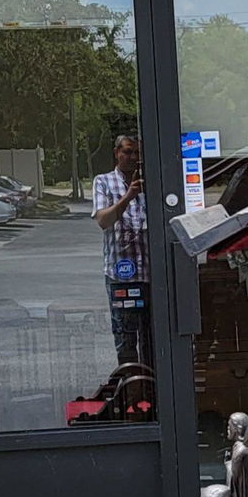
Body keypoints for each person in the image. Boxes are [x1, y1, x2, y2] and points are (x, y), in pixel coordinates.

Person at [92, 132, 151, 366]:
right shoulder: (104, 182)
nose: (132, 157)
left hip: (149, 276)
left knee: (150, 339)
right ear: (117, 153)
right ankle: (131, 389)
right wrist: (128, 196)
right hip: (121, 276)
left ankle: (152, 391)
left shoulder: (151, 184)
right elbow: (103, 220)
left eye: (137, 153)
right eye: (127, 151)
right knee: (126, 340)